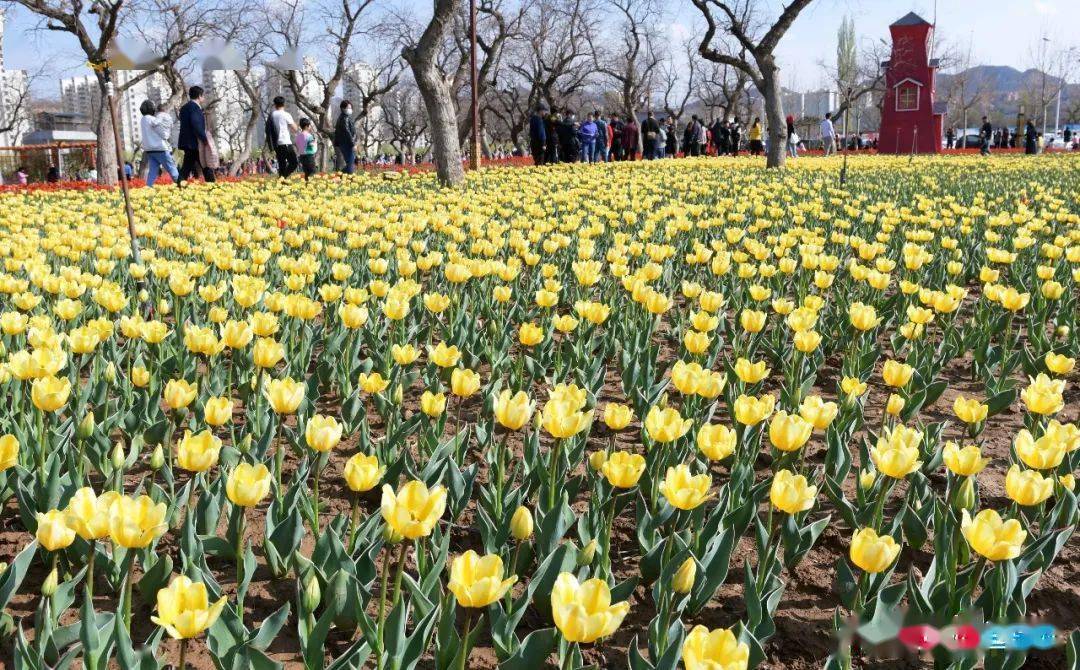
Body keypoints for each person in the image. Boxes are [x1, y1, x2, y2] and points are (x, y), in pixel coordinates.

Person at [177, 86, 215, 183]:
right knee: (205, 165)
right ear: (199, 96)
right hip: (195, 143)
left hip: (186, 142)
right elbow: (196, 125)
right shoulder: (195, 108)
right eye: (203, 96)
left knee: (186, 167)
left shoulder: (184, 108)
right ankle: (213, 186)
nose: (204, 98)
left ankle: (179, 186)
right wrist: (205, 139)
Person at [139, 99, 179, 187]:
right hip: (160, 149)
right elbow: (164, 135)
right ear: (151, 109)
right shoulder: (152, 119)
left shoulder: (143, 120)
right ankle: (181, 185)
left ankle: (148, 188)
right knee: (172, 168)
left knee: (152, 172)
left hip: (149, 150)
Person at [267, 96, 299, 178]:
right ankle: (283, 178)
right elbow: (295, 129)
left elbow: (268, 130)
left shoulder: (271, 115)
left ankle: (282, 182)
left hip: (277, 144)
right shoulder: (286, 115)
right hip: (286, 143)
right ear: (284, 104)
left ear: (275, 104)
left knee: (282, 165)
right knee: (294, 163)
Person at [333, 100, 357, 174]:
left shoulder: (343, 118)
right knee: (350, 167)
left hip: (344, 144)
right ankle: (339, 175)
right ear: (343, 108)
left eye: (351, 108)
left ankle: (340, 175)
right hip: (347, 144)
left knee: (350, 165)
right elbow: (347, 132)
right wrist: (353, 144)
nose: (350, 109)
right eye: (348, 108)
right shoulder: (344, 118)